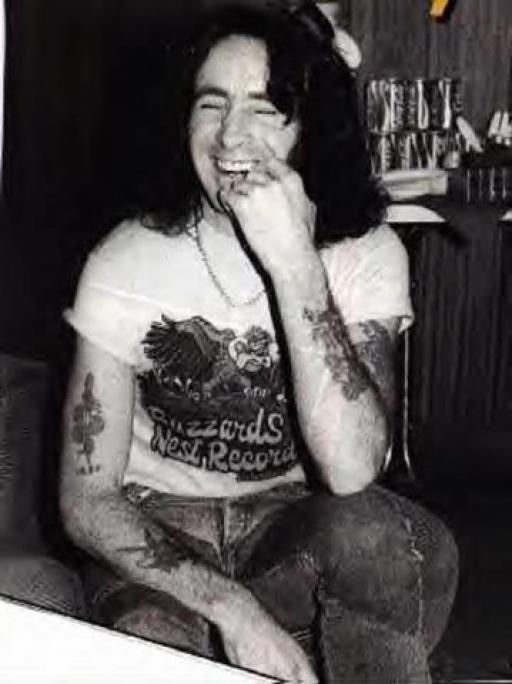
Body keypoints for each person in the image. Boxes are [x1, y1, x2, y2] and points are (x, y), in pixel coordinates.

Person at [60, 3, 458, 682]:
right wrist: (235, 611)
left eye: (265, 108)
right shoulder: (124, 261)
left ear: (310, 128)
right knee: (151, 642)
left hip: (292, 524)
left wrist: (295, 263)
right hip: (158, 529)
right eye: (211, 104)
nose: (230, 136)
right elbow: (87, 499)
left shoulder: (365, 253)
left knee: (381, 539)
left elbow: (353, 470)